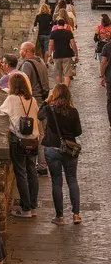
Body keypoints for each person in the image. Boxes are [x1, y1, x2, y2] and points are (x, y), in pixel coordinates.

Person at [0, 72, 40, 217]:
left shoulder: (12, 99)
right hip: (33, 140)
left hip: (19, 140)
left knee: (21, 173)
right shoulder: (32, 99)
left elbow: (0, 111)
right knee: (32, 172)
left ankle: (26, 209)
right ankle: (33, 205)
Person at [38, 83, 82, 224]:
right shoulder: (73, 111)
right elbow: (78, 132)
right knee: (72, 180)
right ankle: (76, 215)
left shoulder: (50, 109)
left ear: (55, 95)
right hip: (69, 150)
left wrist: (47, 99)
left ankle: (60, 217)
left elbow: (39, 115)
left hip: (52, 149)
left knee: (56, 183)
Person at [18, 40, 50, 174]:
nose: (20, 52)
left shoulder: (27, 65)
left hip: (34, 103)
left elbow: (23, 84)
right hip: (43, 101)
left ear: (26, 51)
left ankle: (42, 166)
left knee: (39, 135)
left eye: (21, 49)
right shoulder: (41, 61)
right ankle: (42, 164)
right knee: (43, 134)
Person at [47, 11, 78, 86]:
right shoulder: (68, 33)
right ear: (64, 24)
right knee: (67, 73)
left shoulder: (53, 33)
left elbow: (51, 45)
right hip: (67, 54)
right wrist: (76, 55)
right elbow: (73, 44)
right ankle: (66, 89)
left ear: (57, 24)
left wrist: (49, 55)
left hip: (57, 54)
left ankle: (60, 88)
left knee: (58, 73)